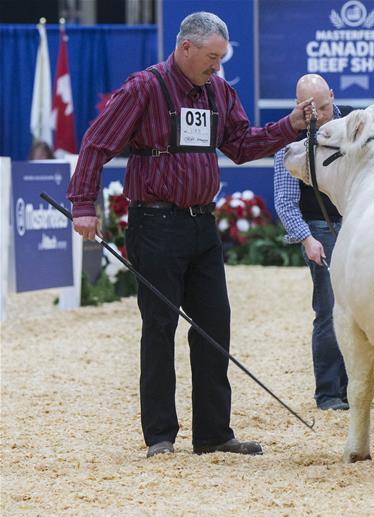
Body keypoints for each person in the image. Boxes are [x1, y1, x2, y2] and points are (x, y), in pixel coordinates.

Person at [67, 12, 311, 458]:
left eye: (221, 58)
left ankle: (214, 434)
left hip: (202, 225)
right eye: (212, 57)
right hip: (155, 224)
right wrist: (83, 204)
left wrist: (290, 125)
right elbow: (97, 144)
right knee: (160, 328)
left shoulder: (219, 91)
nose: (217, 67)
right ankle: (161, 436)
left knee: (214, 324)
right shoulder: (145, 87)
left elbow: (242, 146)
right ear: (185, 47)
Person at [273, 74, 350, 411]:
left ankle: (356, 389)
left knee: (361, 309)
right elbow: (285, 201)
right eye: (310, 109)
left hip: (356, 222)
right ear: (298, 105)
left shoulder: (353, 123)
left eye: (324, 106)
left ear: (332, 95)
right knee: (330, 308)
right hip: (319, 227)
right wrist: (307, 239)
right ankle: (330, 393)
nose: (319, 115)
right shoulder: (290, 137)